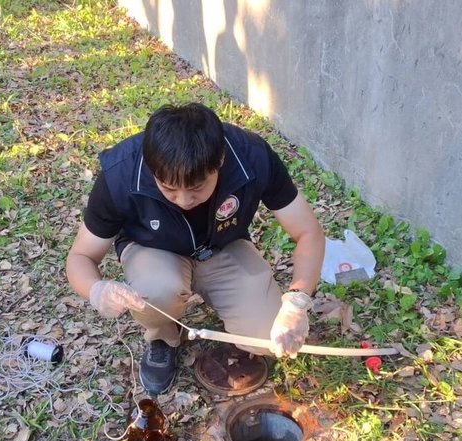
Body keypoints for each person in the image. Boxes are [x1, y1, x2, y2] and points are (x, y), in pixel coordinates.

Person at [66, 102, 325, 395]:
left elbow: (308, 231)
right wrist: (96, 289)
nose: (184, 200)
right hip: (154, 251)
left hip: (223, 245)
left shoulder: (251, 156)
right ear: (151, 170)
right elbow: (80, 256)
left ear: (220, 160)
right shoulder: (121, 173)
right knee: (156, 289)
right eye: (169, 189)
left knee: (268, 335)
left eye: (197, 187)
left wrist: (297, 302)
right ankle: (163, 337)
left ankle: (239, 320)